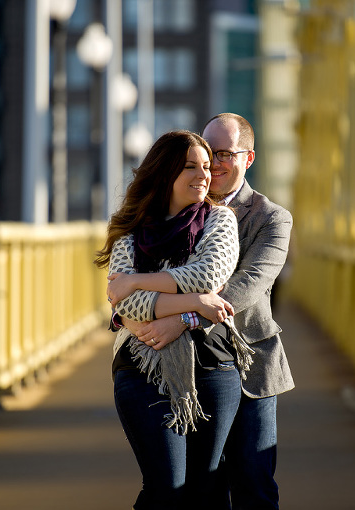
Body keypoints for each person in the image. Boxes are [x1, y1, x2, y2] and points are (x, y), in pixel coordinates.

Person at [121, 113, 294, 509]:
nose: (212, 164)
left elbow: (243, 288)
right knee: (200, 488)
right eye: (205, 152)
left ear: (248, 158)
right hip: (183, 367)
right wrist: (129, 315)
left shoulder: (271, 218)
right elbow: (123, 280)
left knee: (253, 482)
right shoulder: (169, 209)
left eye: (224, 154)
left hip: (248, 366)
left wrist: (181, 318)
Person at [94, 130, 254, 510]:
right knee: (165, 488)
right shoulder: (130, 231)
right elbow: (127, 308)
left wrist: (137, 281)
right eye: (190, 167)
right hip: (142, 366)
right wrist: (198, 302)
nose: (204, 175)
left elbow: (207, 275)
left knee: (202, 490)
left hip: (214, 365)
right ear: (165, 173)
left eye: (205, 166)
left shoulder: (220, 220)